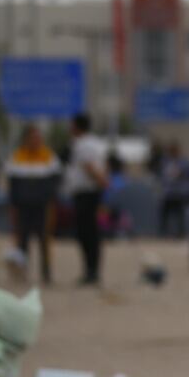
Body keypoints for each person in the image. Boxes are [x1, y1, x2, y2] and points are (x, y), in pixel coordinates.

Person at [3, 123, 61, 286]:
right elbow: (12, 184)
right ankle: (22, 272)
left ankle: (46, 273)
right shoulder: (16, 157)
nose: (36, 140)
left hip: (42, 206)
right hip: (23, 206)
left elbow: (54, 183)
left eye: (38, 138)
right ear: (26, 139)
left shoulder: (49, 157)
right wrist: (13, 205)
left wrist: (50, 201)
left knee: (44, 240)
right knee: (22, 240)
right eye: (32, 137)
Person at [62, 113, 108, 286]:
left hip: (86, 193)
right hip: (91, 192)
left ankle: (91, 271)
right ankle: (91, 270)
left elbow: (89, 167)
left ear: (76, 126)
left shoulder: (81, 145)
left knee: (86, 233)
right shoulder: (95, 143)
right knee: (91, 232)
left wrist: (101, 181)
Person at [158, 141, 189, 237]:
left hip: (180, 193)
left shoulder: (184, 162)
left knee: (181, 215)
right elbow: (162, 177)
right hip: (169, 193)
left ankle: (181, 233)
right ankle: (163, 233)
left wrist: (181, 174)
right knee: (165, 214)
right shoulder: (165, 162)